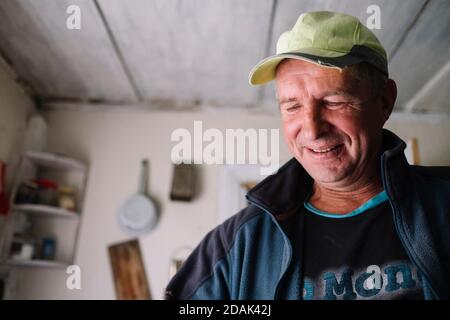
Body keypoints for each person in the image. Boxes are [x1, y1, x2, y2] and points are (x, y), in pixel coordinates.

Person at [165, 11, 450, 300]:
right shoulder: (238, 243)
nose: (312, 130)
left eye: (333, 101)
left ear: (385, 101)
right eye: (292, 106)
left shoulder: (443, 205)